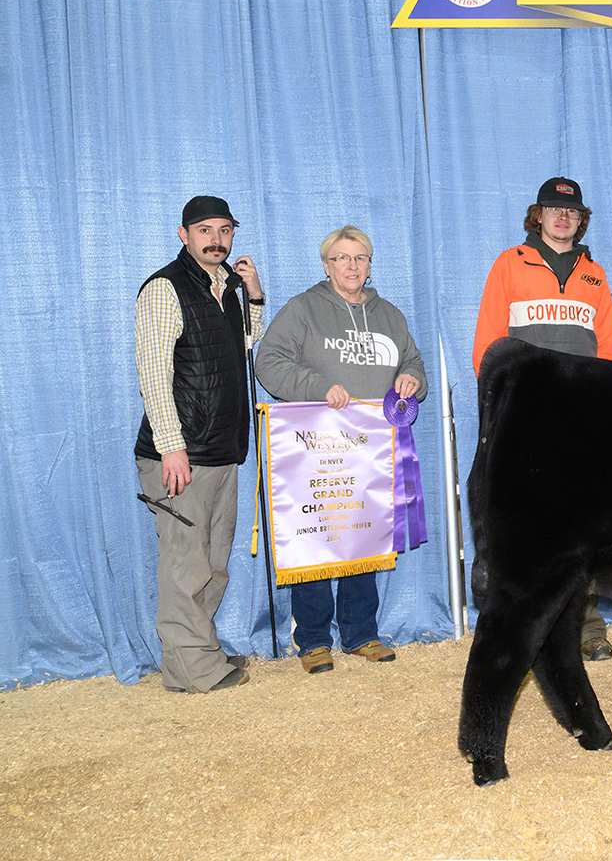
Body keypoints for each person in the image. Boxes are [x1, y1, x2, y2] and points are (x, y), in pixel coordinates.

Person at [255, 225, 427, 675]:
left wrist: (412, 381)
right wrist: (315, 387)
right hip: (315, 445)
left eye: (361, 258)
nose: (352, 266)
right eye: (342, 258)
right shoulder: (304, 309)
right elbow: (268, 361)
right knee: (317, 536)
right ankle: (312, 639)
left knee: (363, 534)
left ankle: (361, 633)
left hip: (371, 446)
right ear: (326, 265)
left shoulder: (389, 315)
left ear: (370, 264)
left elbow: (412, 361)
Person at [473, 177, 612, 660]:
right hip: (527, 419)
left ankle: (587, 625)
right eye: (553, 209)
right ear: (537, 215)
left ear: (581, 219)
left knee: (586, 525)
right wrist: (497, 408)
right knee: (527, 527)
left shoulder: (595, 275)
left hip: (583, 420)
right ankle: (525, 625)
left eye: (572, 211)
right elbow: (489, 344)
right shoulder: (509, 264)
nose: (563, 217)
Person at [134, 196, 264, 693]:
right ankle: (191, 669)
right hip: (179, 453)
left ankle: (199, 649)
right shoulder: (165, 288)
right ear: (183, 234)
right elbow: (153, 373)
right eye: (205, 229)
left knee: (212, 562)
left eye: (225, 230)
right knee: (186, 562)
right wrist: (171, 446)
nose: (217, 239)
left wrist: (253, 296)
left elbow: (244, 345)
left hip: (220, 448)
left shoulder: (227, 285)